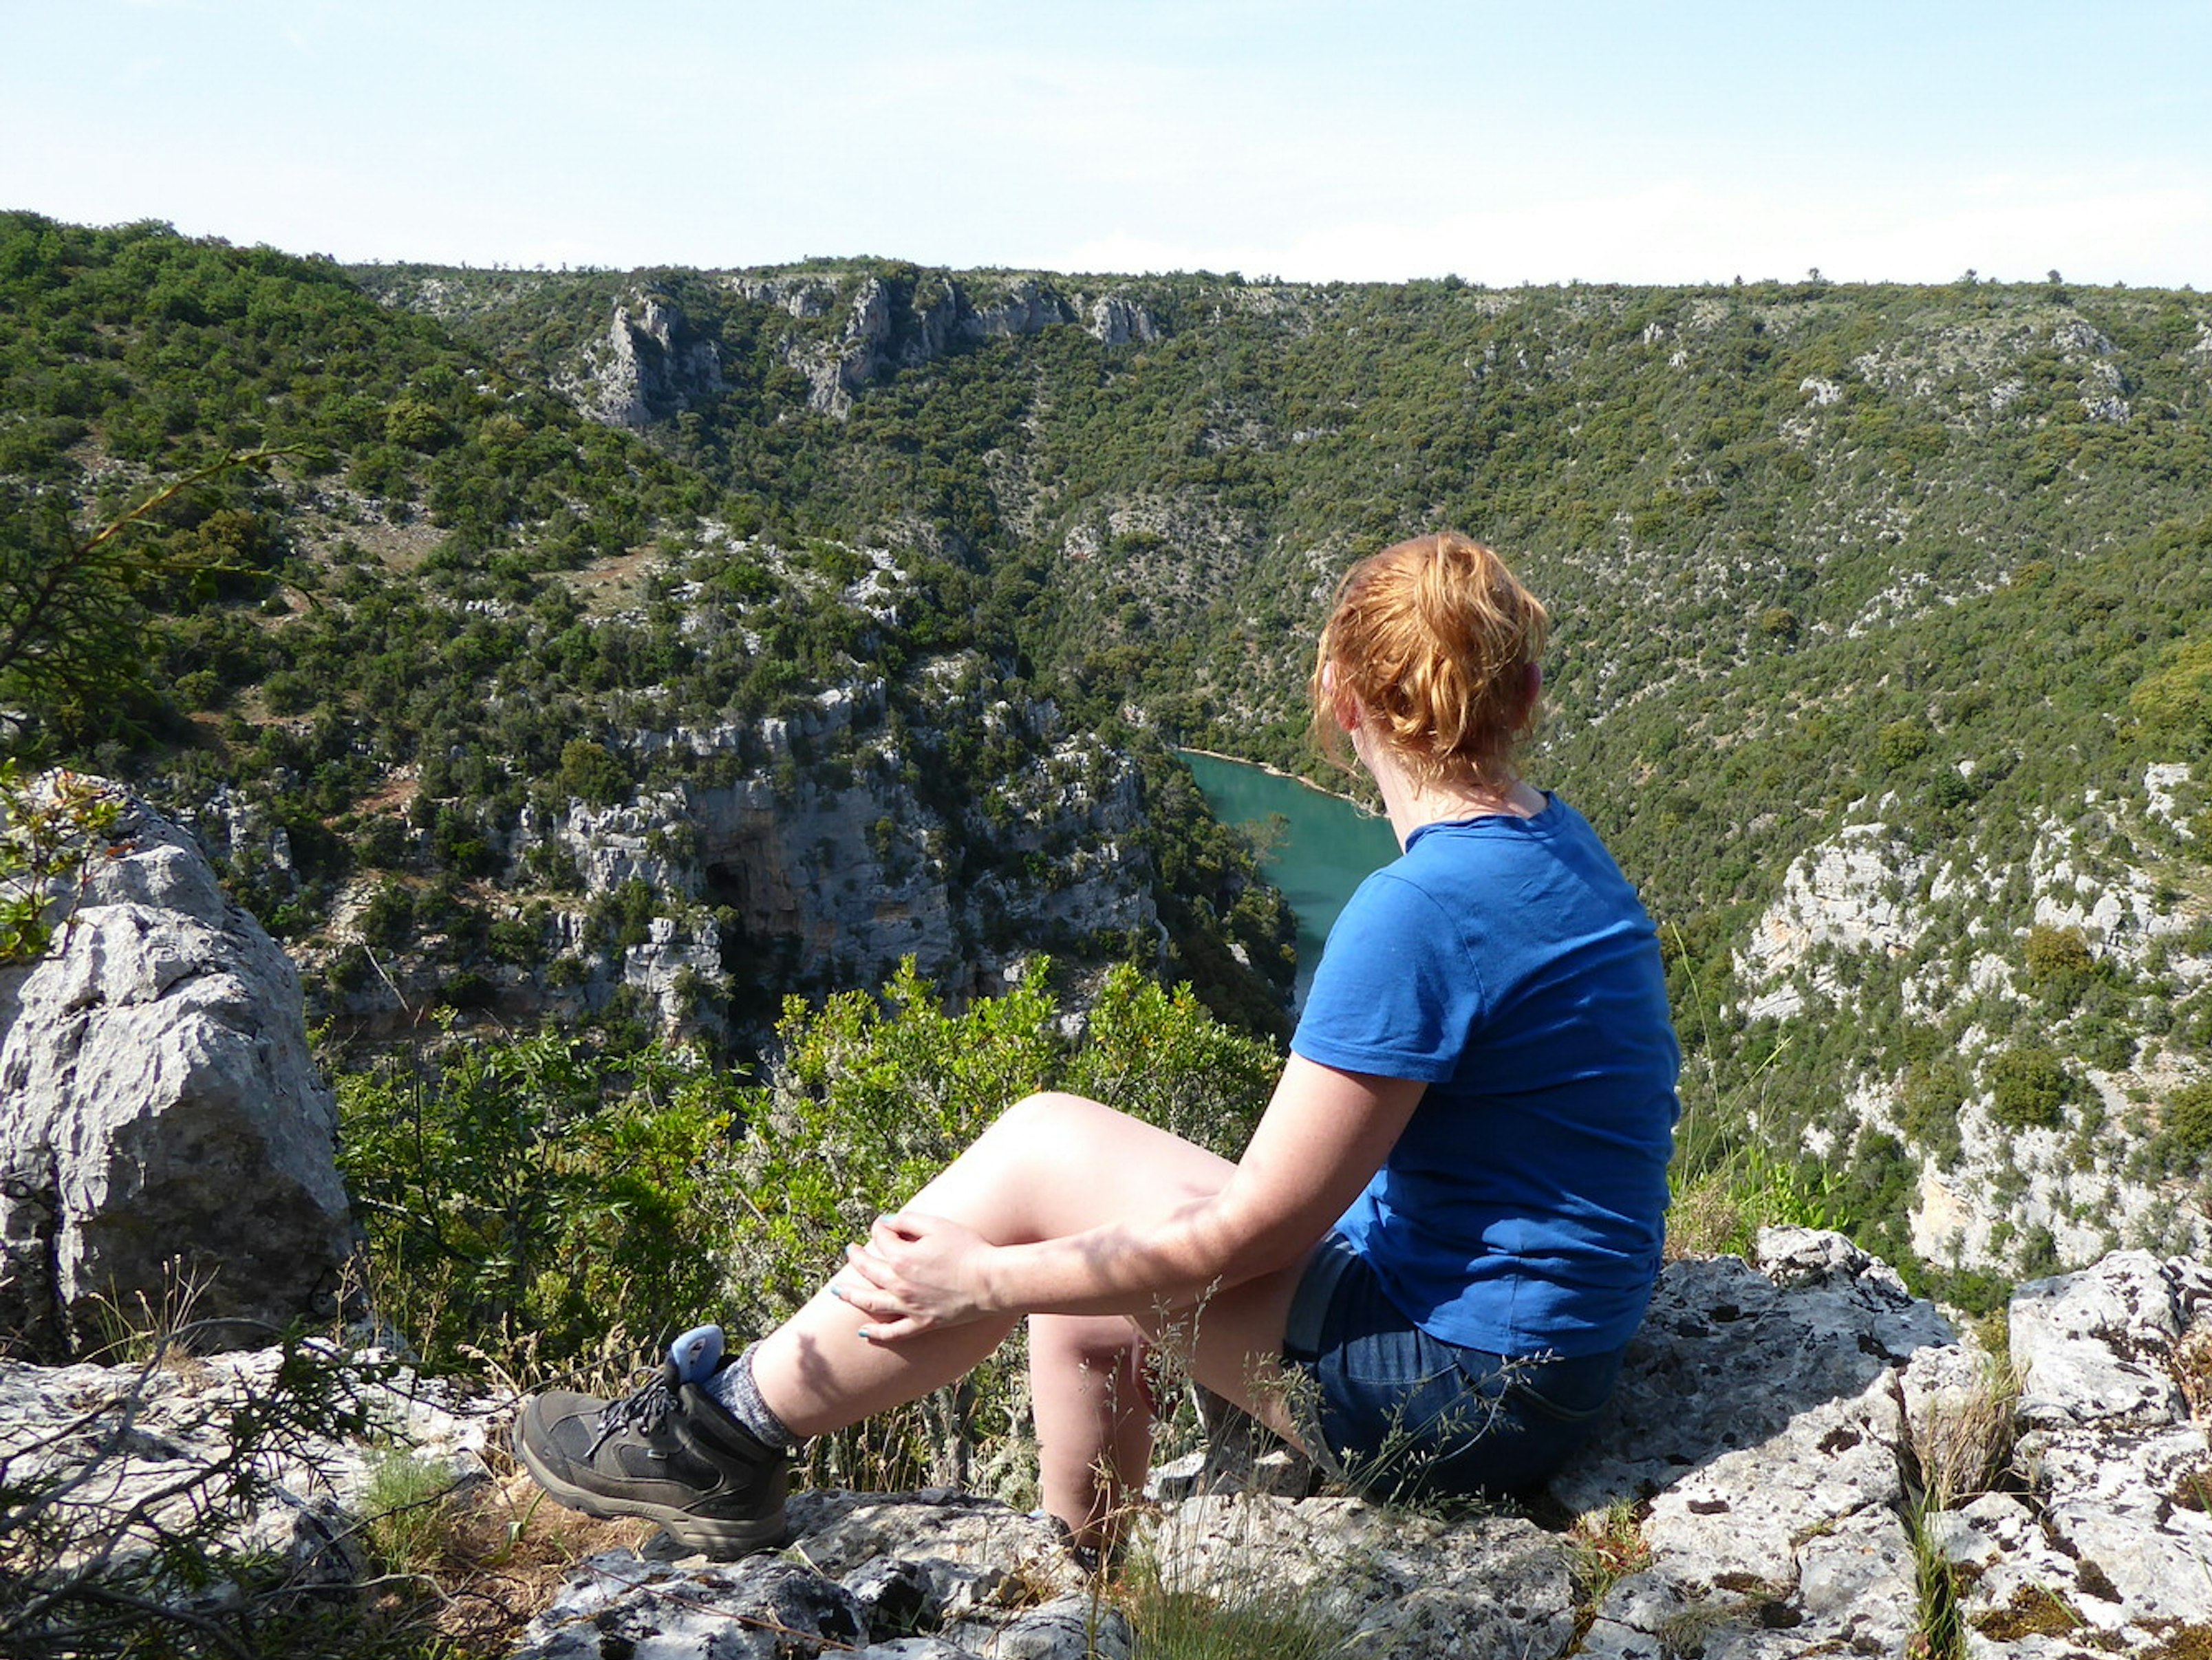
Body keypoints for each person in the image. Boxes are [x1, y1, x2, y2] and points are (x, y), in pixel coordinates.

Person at [514, 532, 1680, 1555]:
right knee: (1089, 1295)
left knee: (1037, 1153)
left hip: (1456, 1399)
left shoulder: (1420, 910)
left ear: (1341, 698)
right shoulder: (1554, 846)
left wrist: (984, 1279)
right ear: (1524, 695)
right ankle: (1099, 1589)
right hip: (1540, 1371)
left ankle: (719, 1433)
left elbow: (1267, 1224)